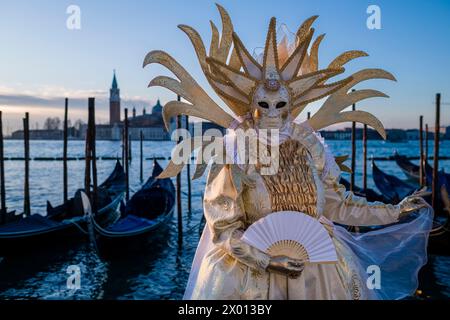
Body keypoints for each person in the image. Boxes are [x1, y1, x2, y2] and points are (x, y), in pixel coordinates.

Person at [144, 4, 433, 300]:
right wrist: (268, 261)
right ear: (250, 105)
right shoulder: (234, 153)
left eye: (280, 105)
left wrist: (395, 211)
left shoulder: (310, 146)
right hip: (252, 277)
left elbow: (338, 204)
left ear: (291, 106)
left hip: (320, 275)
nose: (271, 112)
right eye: (263, 105)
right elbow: (223, 229)